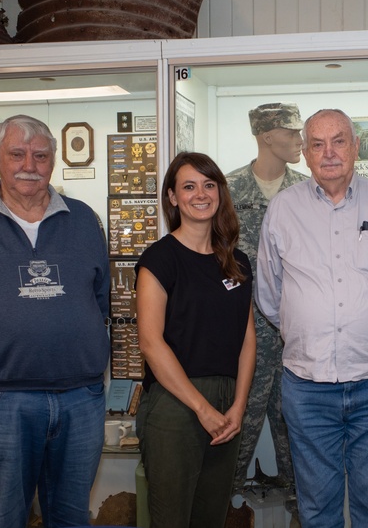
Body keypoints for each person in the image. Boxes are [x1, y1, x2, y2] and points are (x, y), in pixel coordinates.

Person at [0, 114, 111, 528]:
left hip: (79, 399)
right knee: (2, 518)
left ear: (53, 162)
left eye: (41, 155)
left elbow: (98, 299)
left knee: (71, 518)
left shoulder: (83, 220)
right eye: (17, 154)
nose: (29, 164)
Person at [257, 108, 368, 526]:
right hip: (309, 391)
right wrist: (306, 329)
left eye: (339, 141)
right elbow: (271, 294)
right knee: (316, 510)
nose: (329, 152)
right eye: (317, 144)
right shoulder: (282, 209)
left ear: (356, 147)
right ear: (306, 155)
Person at [135, 152, 256, 526]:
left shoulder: (236, 262)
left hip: (227, 405)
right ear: (172, 197)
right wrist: (202, 409)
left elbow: (247, 338)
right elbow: (151, 343)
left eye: (208, 185)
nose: (200, 194)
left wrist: (238, 405)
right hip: (176, 405)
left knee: (211, 518)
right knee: (171, 519)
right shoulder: (159, 259)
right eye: (188, 186)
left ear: (219, 192)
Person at [226, 103, 307, 523]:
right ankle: (223, 511)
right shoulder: (225, 190)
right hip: (242, 338)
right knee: (233, 432)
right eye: (291, 132)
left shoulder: (309, 191)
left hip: (296, 337)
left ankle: (302, 515)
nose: (300, 140)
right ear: (265, 135)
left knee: (300, 436)